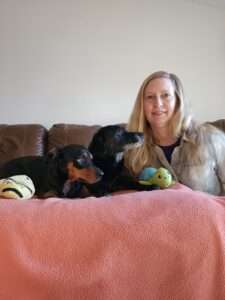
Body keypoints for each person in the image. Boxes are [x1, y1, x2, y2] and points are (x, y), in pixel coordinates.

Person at [124, 70, 225, 195]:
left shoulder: (212, 138)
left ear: (178, 100)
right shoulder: (132, 151)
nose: (158, 103)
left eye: (166, 95)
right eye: (150, 97)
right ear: (142, 106)